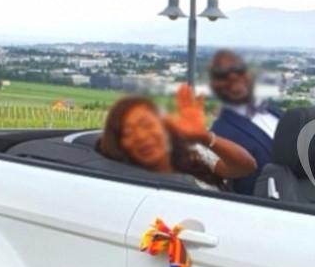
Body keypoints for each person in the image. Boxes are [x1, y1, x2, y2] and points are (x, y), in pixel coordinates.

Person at [97, 85, 256, 190]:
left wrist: (205, 137)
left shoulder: (192, 151)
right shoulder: (121, 174)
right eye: (128, 133)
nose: (141, 136)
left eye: (146, 125)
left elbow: (246, 167)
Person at [208, 49, 280, 195]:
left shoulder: (275, 112)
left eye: (239, 70)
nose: (234, 77)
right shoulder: (220, 132)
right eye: (223, 75)